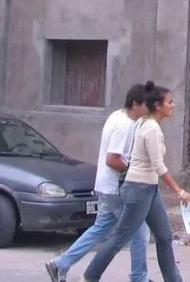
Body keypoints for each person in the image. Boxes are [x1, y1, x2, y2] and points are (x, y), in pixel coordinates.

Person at [81, 81, 190, 282]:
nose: (173, 105)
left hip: (148, 188)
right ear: (158, 106)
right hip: (138, 188)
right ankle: (89, 277)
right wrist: (179, 191)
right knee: (119, 238)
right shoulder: (150, 128)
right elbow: (159, 166)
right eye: (170, 102)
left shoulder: (147, 124)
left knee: (165, 237)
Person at [45, 84, 152, 282]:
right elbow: (112, 159)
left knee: (100, 228)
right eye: (147, 105)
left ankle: (60, 263)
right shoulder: (125, 125)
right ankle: (139, 278)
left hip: (104, 186)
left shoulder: (116, 116)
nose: (150, 109)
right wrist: (134, 172)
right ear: (136, 104)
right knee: (139, 232)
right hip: (115, 189)